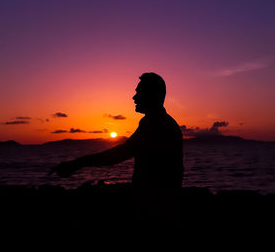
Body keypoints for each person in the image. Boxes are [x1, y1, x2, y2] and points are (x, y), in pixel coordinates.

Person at [49, 72, 184, 190]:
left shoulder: (155, 123)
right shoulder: (157, 121)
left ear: (152, 95)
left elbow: (122, 152)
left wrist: (76, 164)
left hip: (156, 201)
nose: (134, 97)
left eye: (139, 92)